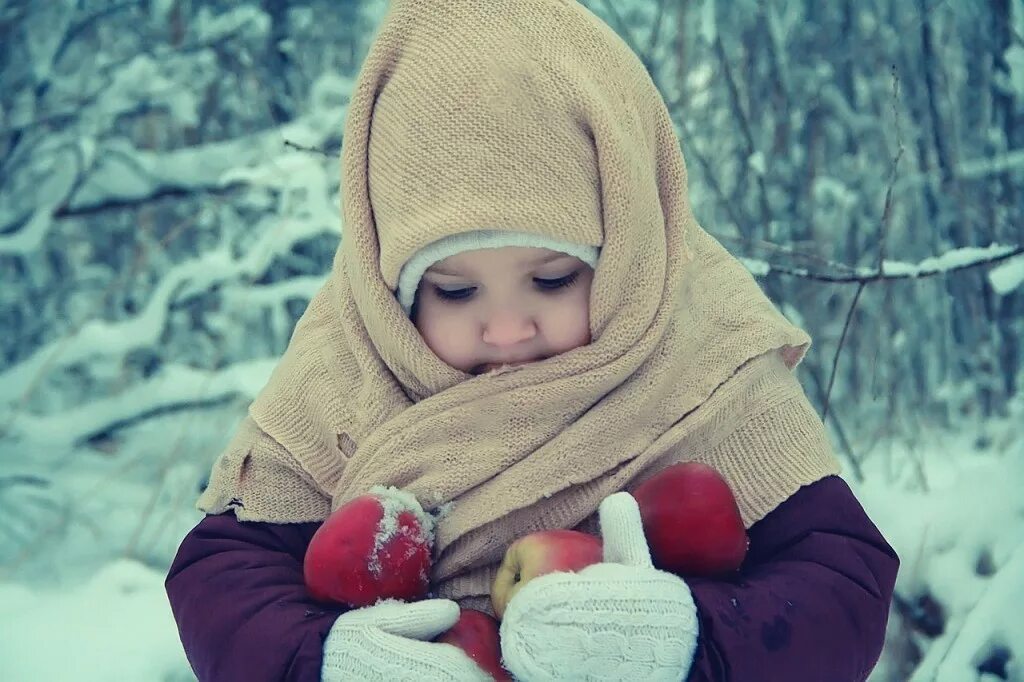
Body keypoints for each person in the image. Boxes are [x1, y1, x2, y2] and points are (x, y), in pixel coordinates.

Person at [165, 0, 899, 680]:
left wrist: (689, 642)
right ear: (389, 290)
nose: (509, 328)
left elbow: (840, 580)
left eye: (552, 280)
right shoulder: (348, 369)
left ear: (630, 257)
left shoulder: (699, 353)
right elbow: (221, 576)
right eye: (454, 290)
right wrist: (322, 661)